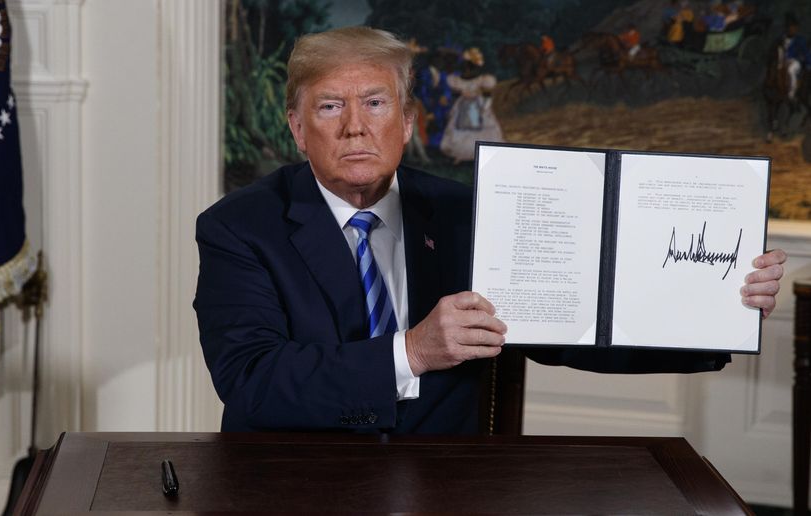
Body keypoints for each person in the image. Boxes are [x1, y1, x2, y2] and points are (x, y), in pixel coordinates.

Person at [194, 26, 786, 434]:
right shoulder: (238, 228)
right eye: (329, 107)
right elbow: (252, 381)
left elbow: (571, 327)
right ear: (297, 128)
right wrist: (413, 352)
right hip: (292, 484)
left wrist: (717, 309)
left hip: (450, 483)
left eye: (375, 104)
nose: (354, 127)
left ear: (407, 122)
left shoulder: (469, 212)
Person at [439, 47, 503, 163]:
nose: (465, 69)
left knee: (481, 130)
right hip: (463, 106)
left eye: (468, 66)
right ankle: (461, 154)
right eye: (464, 67)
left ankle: (482, 155)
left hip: (478, 106)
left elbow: (488, 95)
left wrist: (485, 107)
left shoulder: (483, 80)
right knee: (460, 130)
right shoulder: (456, 80)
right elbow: (454, 93)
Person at [782, 12, 811, 101]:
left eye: (794, 27)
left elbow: (806, 53)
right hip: (783, 60)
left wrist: (809, 63)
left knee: (791, 69)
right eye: (791, 27)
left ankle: (792, 93)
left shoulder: (800, 40)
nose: (793, 29)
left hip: (795, 62)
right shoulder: (782, 38)